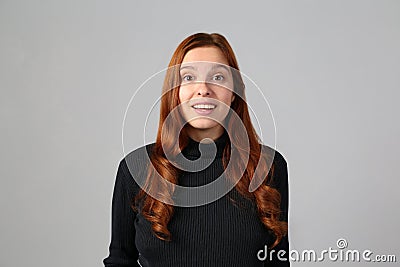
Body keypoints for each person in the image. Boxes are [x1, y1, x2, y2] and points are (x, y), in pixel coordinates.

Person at [103, 32, 290, 267]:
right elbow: (120, 260)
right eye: (189, 77)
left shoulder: (269, 166)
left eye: (218, 77)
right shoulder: (137, 167)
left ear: (234, 93)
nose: (203, 89)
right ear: (175, 92)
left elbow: (278, 260)